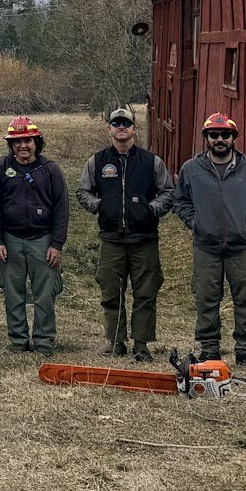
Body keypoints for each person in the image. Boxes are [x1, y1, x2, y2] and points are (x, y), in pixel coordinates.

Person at [173, 112, 246, 367]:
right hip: (206, 246)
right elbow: (181, 201)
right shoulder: (191, 169)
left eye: (225, 135)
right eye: (214, 135)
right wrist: (195, 223)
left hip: (240, 247)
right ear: (206, 137)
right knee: (206, 298)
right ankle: (209, 348)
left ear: (234, 138)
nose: (220, 139)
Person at [78, 106, 176, 360]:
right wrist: (100, 206)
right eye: (116, 123)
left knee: (145, 292)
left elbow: (167, 191)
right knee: (111, 292)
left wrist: (150, 210)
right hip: (112, 239)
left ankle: (141, 344)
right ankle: (116, 341)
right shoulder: (97, 161)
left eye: (126, 123)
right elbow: (83, 192)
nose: (121, 127)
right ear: (109, 129)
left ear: (134, 129)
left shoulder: (151, 161)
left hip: (144, 240)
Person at [0, 117, 71, 354]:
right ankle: (19, 340)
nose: (23, 146)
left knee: (45, 295)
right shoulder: (0, 170)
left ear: (37, 142)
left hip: (42, 241)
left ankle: (43, 341)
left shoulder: (50, 169)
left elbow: (62, 210)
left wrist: (57, 244)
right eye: (17, 141)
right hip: (11, 240)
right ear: (11, 145)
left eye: (28, 140)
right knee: (13, 294)